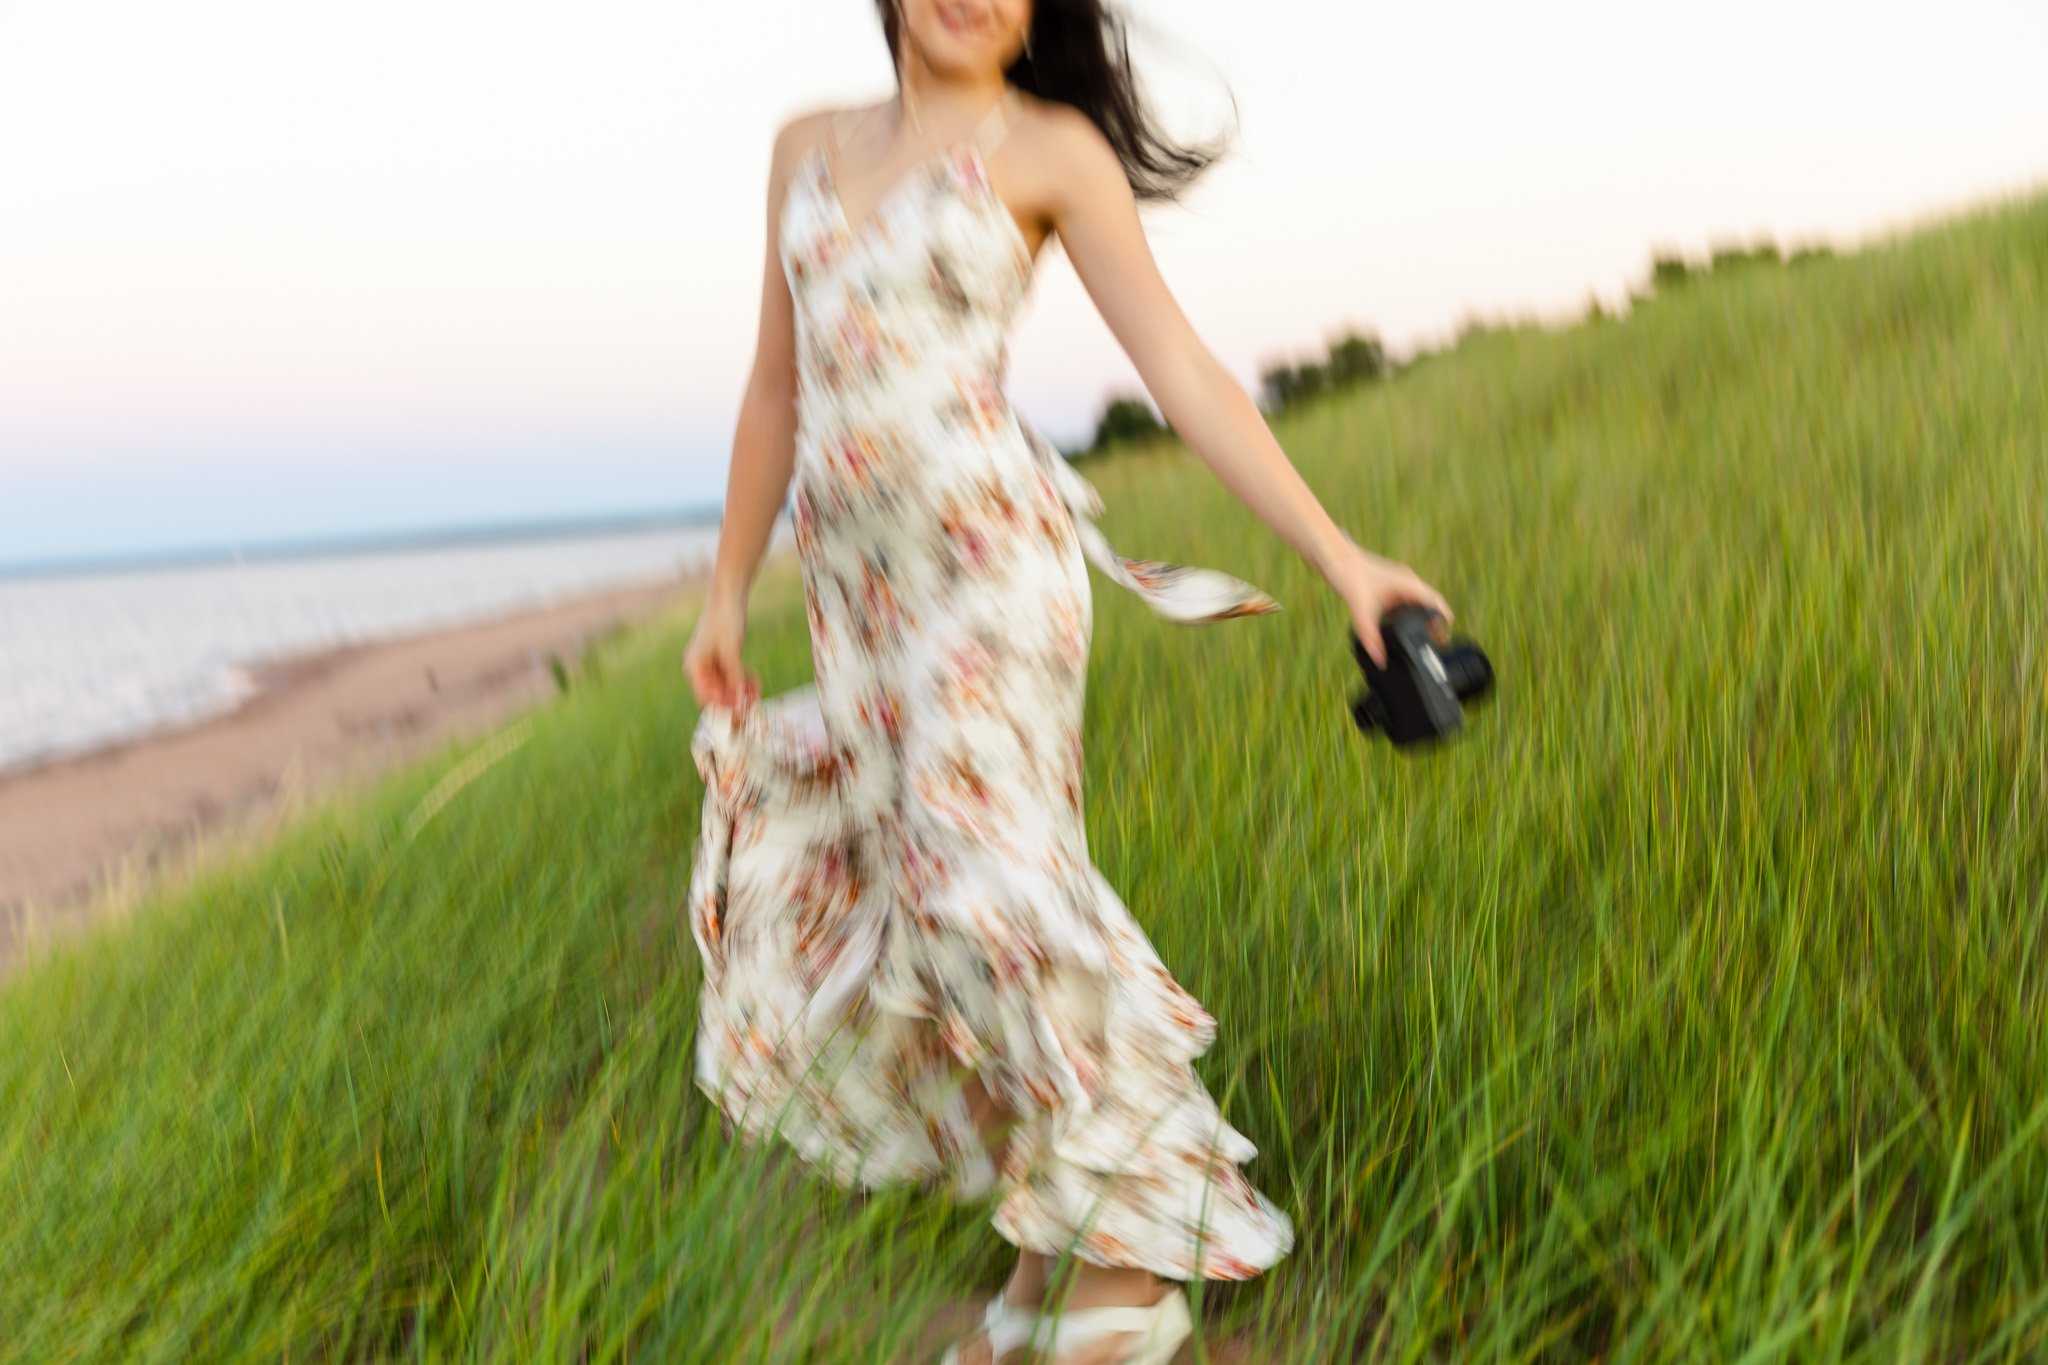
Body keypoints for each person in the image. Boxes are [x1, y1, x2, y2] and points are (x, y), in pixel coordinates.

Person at [683, 2, 1453, 1361]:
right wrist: (727, 590)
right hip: (858, 593)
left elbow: (1184, 371)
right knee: (928, 901)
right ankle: (1050, 1247)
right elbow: (773, 391)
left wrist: (1343, 559)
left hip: (988, 567)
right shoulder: (802, 145)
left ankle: (1131, 1269)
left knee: (994, 889)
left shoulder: (1051, 153)